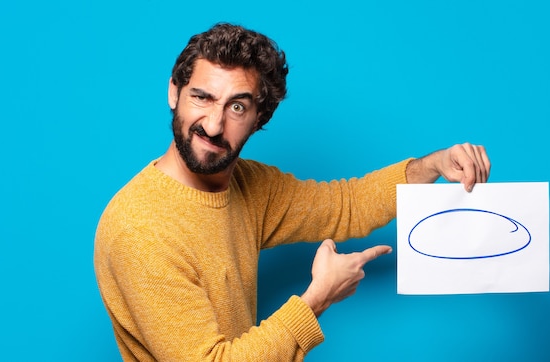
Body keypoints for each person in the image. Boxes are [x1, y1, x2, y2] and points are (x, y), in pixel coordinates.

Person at [94, 23, 491, 361]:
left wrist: (433, 165)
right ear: (174, 93)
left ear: (259, 118)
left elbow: (346, 206)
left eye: (237, 107)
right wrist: (317, 298)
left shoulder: (249, 186)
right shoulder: (139, 229)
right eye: (202, 97)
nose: (213, 125)